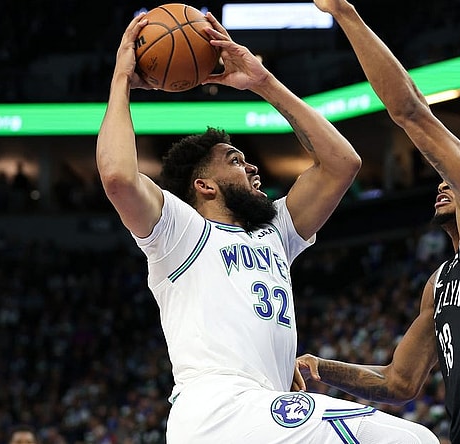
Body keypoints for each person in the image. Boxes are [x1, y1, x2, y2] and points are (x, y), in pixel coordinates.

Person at [96, 10, 438, 444]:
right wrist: (122, 79)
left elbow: (341, 163)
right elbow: (118, 178)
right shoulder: (178, 233)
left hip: (261, 410)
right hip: (220, 409)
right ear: (203, 186)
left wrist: (262, 82)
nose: (253, 166)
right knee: (415, 441)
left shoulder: (274, 231)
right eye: (236, 161)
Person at [296, 1, 460, 443]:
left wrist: (344, 13)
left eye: (452, 180)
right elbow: (399, 382)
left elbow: (411, 110)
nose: (441, 185)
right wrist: (320, 367)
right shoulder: (439, 284)